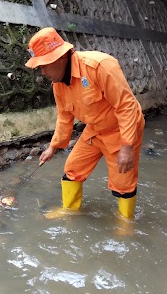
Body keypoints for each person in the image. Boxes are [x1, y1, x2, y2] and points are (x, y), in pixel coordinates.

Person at [25, 27, 145, 220]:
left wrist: (127, 146)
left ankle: (126, 223)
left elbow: (126, 107)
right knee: (72, 168)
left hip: (120, 130)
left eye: (44, 65)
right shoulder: (58, 84)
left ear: (61, 57)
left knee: (123, 181)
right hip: (95, 130)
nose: (42, 72)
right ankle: (70, 210)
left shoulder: (100, 66)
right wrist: (53, 147)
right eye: (39, 67)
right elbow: (64, 117)